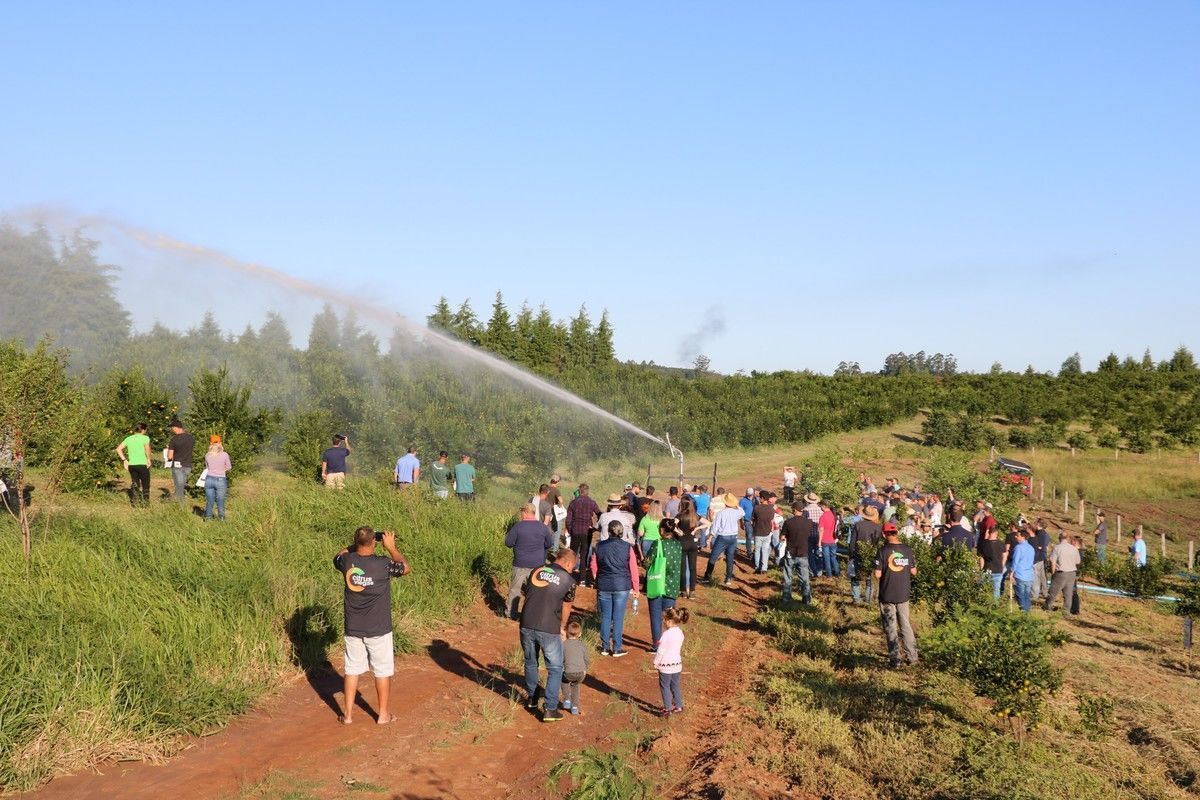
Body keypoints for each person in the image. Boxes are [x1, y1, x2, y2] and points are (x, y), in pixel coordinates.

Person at [333, 526, 411, 725]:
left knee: (352, 669)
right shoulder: (383, 564)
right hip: (378, 628)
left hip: (353, 627)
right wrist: (391, 547)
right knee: (382, 670)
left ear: (356, 543)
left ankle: (348, 715)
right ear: (375, 543)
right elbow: (404, 567)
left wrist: (357, 544)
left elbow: (339, 555)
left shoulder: (347, 561)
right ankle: (383, 714)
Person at [518, 549, 577, 722]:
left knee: (531, 663)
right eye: (572, 566)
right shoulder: (569, 580)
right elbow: (567, 606)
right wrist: (562, 627)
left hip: (526, 623)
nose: (572, 570)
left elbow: (527, 592)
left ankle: (532, 699)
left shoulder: (536, 570)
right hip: (549, 627)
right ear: (567, 563)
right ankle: (550, 708)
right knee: (556, 668)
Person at [591, 520, 639, 657]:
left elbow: (594, 565)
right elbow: (633, 569)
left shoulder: (599, 546)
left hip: (604, 585)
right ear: (621, 532)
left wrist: (597, 578)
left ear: (609, 531)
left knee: (606, 616)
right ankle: (617, 648)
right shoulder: (627, 547)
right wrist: (636, 588)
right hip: (621, 585)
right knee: (618, 617)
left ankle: (605, 647)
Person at [874, 522, 918, 668]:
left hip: (887, 594)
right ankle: (912, 657)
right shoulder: (907, 549)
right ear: (897, 533)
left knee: (890, 627)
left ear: (884, 534)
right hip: (903, 593)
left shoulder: (882, 551)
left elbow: (877, 573)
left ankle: (895, 660)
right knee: (906, 625)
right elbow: (914, 571)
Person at [504, 504, 556, 619]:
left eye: (522, 512)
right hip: (537, 564)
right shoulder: (543, 527)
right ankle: (532, 614)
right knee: (535, 591)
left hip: (520, 563)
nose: (521, 514)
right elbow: (549, 544)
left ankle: (511, 613)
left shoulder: (518, 527)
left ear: (526, 512)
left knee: (515, 589)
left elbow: (508, 543)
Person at [653, 607, 689, 716]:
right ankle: (678, 706)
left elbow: (661, 651)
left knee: (665, 686)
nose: (664, 622)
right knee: (675, 685)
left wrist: (656, 662)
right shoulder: (680, 633)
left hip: (665, 666)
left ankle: (668, 708)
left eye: (664, 620)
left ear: (669, 621)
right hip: (677, 665)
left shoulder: (666, 634)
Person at [704, 494, 743, 585]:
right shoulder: (737, 512)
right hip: (733, 537)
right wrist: (736, 504)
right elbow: (742, 512)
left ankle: (707, 577)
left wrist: (710, 538)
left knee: (713, 557)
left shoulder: (721, 513)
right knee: (730, 557)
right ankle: (728, 578)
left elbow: (715, 527)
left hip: (722, 537)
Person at [566, 484, 600, 581]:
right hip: (587, 532)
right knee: (584, 554)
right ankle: (582, 579)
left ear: (580, 491)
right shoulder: (592, 503)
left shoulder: (573, 503)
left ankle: (569, 575)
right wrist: (595, 526)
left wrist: (570, 530)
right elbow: (599, 513)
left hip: (575, 531)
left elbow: (568, 520)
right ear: (587, 491)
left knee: (573, 554)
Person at [849, 506, 882, 604]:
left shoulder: (858, 525)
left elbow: (852, 542)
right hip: (872, 554)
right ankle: (868, 600)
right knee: (869, 578)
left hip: (857, 553)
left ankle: (856, 598)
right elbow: (878, 543)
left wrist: (851, 554)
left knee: (855, 576)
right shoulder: (878, 527)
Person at [780, 503, 812, 604]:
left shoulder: (788, 522)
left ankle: (786, 598)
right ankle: (806, 599)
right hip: (803, 552)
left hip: (791, 552)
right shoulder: (809, 523)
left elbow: (782, 537)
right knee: (804, 577)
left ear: (794, 510)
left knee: (788, 576)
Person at [116, 422, 152, 506]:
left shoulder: (128, 438)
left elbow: (118, 449)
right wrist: (149, 459)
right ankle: (145, 503)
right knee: (145, 483)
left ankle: (134, 502)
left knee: (135, 483)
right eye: (145, 430)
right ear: (143, 430)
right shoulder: (145, 438)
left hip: (132, 465)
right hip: (143, 464)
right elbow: (147, 450)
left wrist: (124, 460)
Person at [561, 619, 591, 716]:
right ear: (580, 634)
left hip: (568, 672)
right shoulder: (582, 645)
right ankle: (574, 708)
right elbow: (586, 659)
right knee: (575, 686)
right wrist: (585, 669)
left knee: (564, 681)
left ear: (566, 633)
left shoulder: (563, 645)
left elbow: (561, 659)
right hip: (581, 673)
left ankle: (566, 700)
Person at [1044, 532, 1081, 613]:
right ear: (1068, 539)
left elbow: (1053, 562)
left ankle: (1048, 607)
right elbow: (1078, 561)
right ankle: (1066, 611)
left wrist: (1053, 573)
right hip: (1072, 574)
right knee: (1068, 594)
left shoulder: (1057, 548)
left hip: (1061, 573)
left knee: (1053, 592)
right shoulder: (1074, 548)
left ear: (1059, 538)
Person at [165, 419, 194, 505]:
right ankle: (175, 500)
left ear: (175, 428)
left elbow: (169, 456)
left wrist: (168, 449)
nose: (172, 430)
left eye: (172, 428)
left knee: (179, 487)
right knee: (181, 486)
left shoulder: (174, 440)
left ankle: (181, 507)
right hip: (188, 465)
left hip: (177, 467)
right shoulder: (191, 438)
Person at [203, 435, 231, 521]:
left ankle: (208, 518)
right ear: (220, 443)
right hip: (220, 480)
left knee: (210, 500)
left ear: (210, 443)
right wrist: (222, 470)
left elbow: (207, 467)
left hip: (209, 479)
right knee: (220, 500)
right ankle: (221, 519)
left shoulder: (207, 455)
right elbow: (229, 467)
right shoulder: (225, 454)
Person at [676, 499, 700, 599]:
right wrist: (696, 529)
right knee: (692, 568)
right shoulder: (695, 516)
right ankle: (692, 591)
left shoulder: (680, 516)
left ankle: (683, 590)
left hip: (682, 543)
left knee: (683, 568)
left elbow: (672, 524)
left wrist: (678, 531)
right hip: (693, 544)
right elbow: (708, 523)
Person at [1010, 528, 1035, 612]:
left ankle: (1023, 613)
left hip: (1020, 574)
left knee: (1020, 596)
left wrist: (1011, 573)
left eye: (1018, 535)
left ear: (1023, 537)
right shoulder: (1031, 548)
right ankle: (1027, 613)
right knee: (1026, 596)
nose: (1016, 537)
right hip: (1029, 575)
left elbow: (1015, 561)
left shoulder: (1018, 548)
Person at [750, 490, 775, 573]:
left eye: (760, 497)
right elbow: (771, 520)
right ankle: (764, 568)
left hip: (758, 532)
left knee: (757, 550)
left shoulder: (757, 508)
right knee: (765, 550)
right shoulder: (771, 509)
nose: (759, 499)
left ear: (762, 498)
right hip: (767, 532)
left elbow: (752, 520)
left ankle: (757, 567)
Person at [979, 526, 1006, 600]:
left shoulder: (984, 544)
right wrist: (1002, 565)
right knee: (996, 591)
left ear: (989, 533)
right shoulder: (1001, 544)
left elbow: (982, 558)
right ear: (996, 534)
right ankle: (995, 607)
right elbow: (1004, 555)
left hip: (987, 570)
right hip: (998, 570)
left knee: (985, 590)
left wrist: (981, 569)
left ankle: (985, 604)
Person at [801, 492, 823, 576]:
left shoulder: (806, 510)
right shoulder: (821, 509)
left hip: (809, 534)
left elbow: (803, 522)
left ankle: (812, 571)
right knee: (818, 552)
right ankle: (819, 570)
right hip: (819, 534)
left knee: (809, 553)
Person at [818, 501, 840, 578]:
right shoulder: (833, 515)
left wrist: (819, 541)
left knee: (826, 558)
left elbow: (821, 530)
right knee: (833, 557)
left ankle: (829, 574)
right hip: (833, 539)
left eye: (821, 506)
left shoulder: (823, 516)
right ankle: (837, 572)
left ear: (823, 506)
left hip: (825, 540)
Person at [1031, 519, 1051, 601]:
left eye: (1036, 523)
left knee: (1036, 576)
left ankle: (1035, 595)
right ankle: (1045, 592)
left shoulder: (1040, 534)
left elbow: (1040, 546)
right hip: (1042, 557)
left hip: (1038, 557)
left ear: (1038, 524)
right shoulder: (1043, 533)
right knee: (1042, 576)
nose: (1035, 524)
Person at [739, 488, 756, 554]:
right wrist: (741, 523)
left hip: (755, 521)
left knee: (756, 536)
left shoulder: (756, 500)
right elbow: (740, 513)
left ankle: (756, 551)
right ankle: (749, 552)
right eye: (748, 495)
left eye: (751, 495)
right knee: (749, 536)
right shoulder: (742, 501)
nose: (749, 496)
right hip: (747, 521)